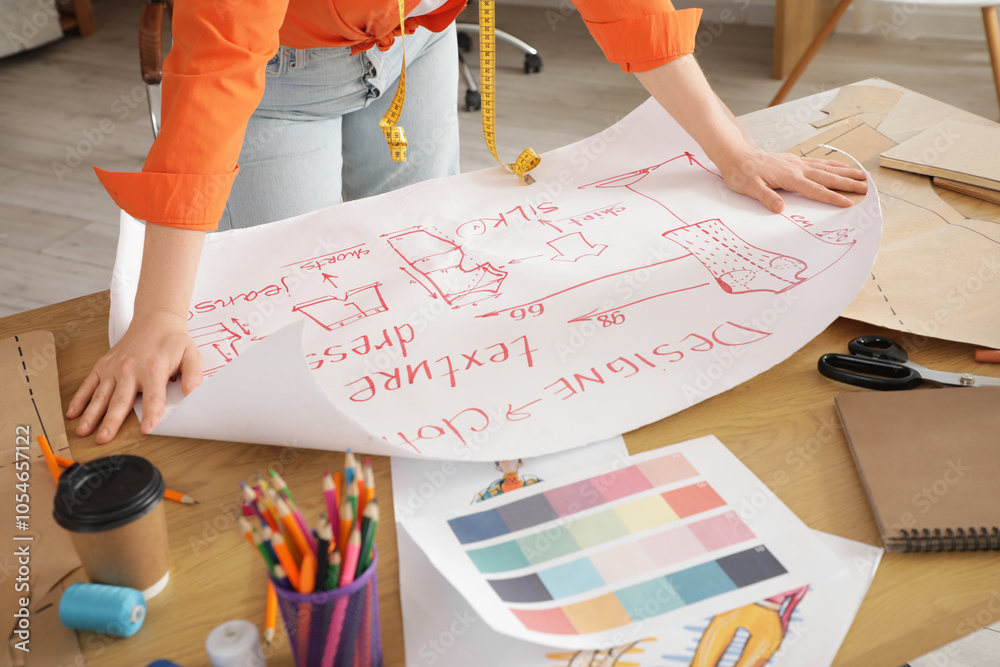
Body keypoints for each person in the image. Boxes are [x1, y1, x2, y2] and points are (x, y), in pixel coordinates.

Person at [68, 0, 868, 444]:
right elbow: (211, 85)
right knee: (297, 327)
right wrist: (165, 312)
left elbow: (629, 7)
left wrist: (731, 150)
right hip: (284, 76)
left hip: (416, 47)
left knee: (423, 280)